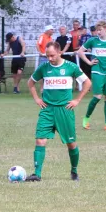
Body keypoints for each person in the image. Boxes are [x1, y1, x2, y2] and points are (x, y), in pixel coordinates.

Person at [25, 41, 91, 182]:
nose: (49, 59)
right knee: (40, 140)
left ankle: (74, 171)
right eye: (47, 56)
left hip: (65, 110)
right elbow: (30, 83)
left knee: (71, 144)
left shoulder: (71, 67)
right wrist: (37, 99)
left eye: (52, 55)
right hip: (47, 109)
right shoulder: (43, 68)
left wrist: (77, 100)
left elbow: (87, 83)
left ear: (60, 52)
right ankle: (37, 174)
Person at [76, 20, 106, 131]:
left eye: (100, 30)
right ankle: (86, 118)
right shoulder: (93, 41)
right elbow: (80, 52)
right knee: (97, 97)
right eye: (97, 30)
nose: (98, 32)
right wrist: (89, 63)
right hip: (97, 71)